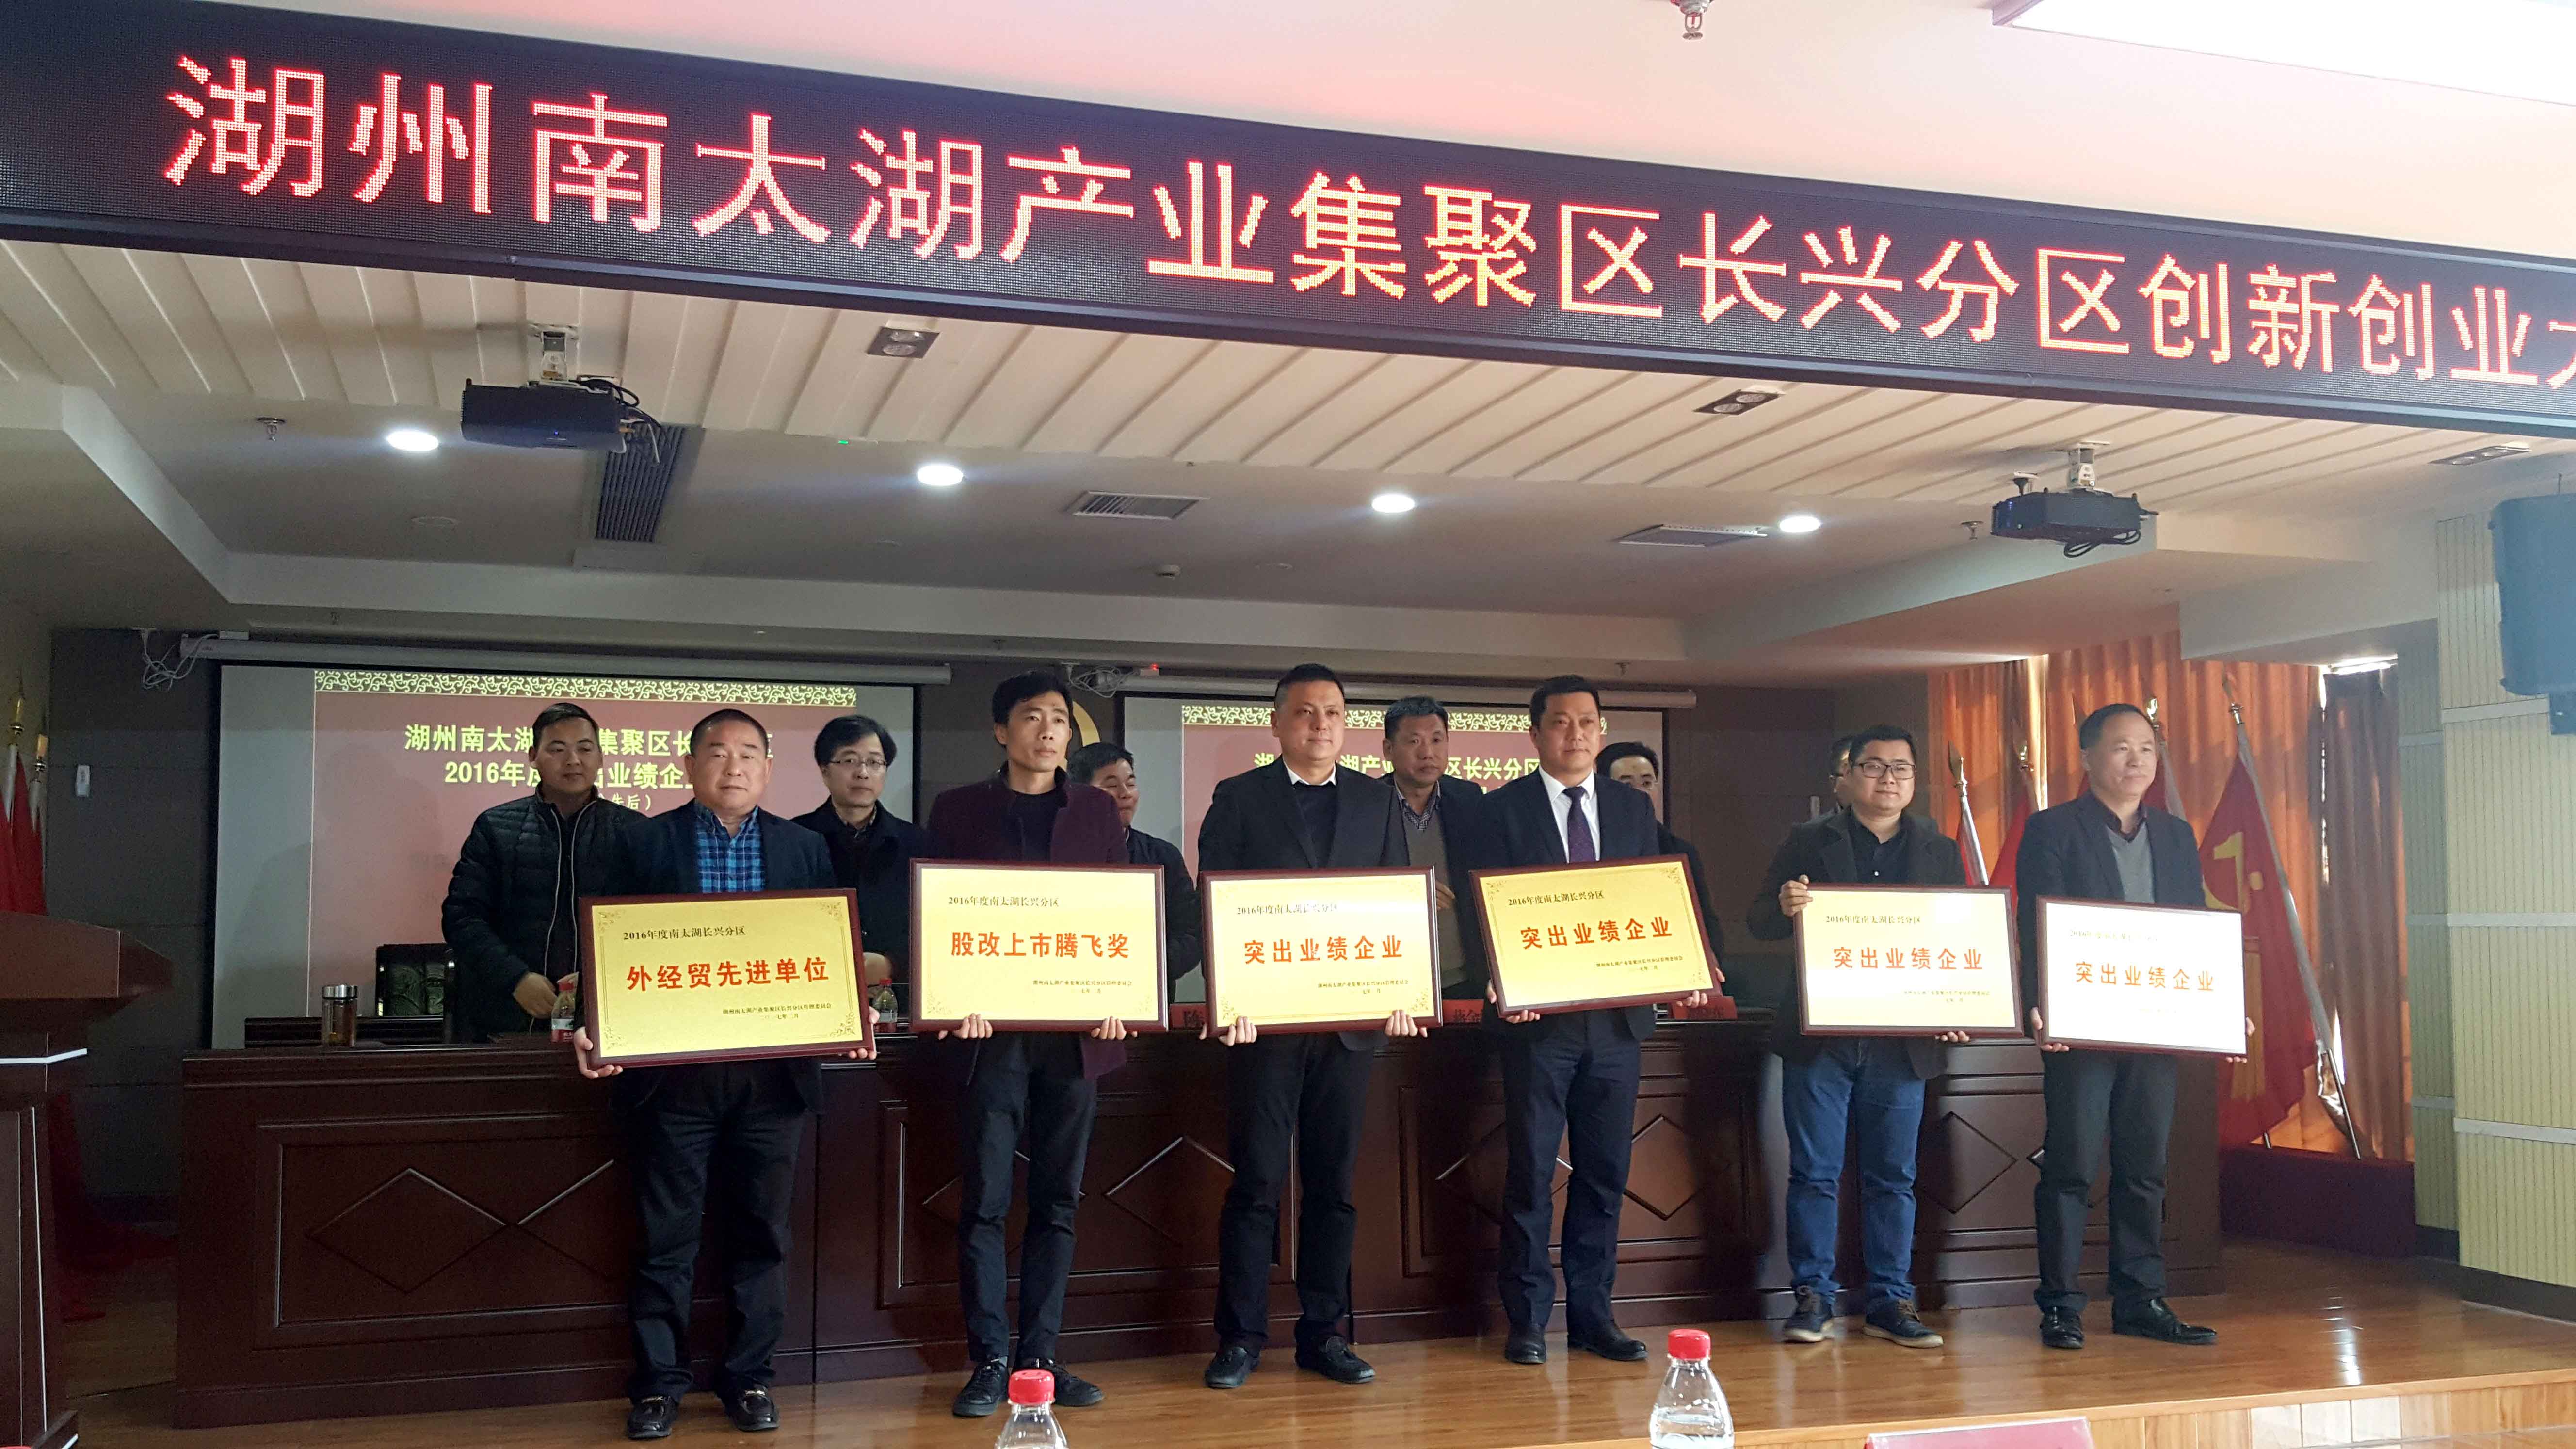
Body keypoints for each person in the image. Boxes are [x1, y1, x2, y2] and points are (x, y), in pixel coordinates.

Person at [571, 709, 865, 1442]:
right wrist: (592, 1023)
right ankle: (657, 1386)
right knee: (665, 1239)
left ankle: (749, 1378)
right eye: (717, 753)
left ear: (767, 769)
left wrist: (848, 1013)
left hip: (772, 1080)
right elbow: (607, 944)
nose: (733, 767)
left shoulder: (803, 847)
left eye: (748, 755)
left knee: (762, 1235)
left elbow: (826, 946)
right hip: (674, 1080)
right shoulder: (643, 842)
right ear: (688, 765)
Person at [1473, 677, 1714, 1368]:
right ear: (1535, 735)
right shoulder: (1500, 809)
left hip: (1616, 1025)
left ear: (1601, 731)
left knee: (1605, 1174)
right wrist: (1499, 974)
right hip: (1537, 1024)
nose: (1575, 734)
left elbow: (1651, 898)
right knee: (1530, 1174)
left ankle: (1592, 1317)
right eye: (1560, 723)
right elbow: (1482, 902)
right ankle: (1527, 1320)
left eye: (1587, 722)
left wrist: (1683, 965)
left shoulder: (1631, 808)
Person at [1196, 663, 1420, 1391]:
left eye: (1332, 713)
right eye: (1304, 712)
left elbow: (1396, 902)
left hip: (1349, 1029)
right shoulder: (1239, 797)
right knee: (1257, 1183)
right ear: (1276, 724)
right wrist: (1229, 997)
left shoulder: (1377, 800)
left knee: (1333, 1186)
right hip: (1263, 1028)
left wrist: (1403, 989)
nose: (1320, 724)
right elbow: (1214, 904)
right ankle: (1239, 1339)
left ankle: (1324, 1333)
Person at [924, 672, 1130, 1418]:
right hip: (992, 1038)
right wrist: (950, 997)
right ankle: (989, 1360)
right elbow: (938, 914)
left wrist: (1121, 998)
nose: (1048, 731)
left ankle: (1040, 1358)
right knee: (985, 1200)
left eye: (1059, 720)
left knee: (1057, 1202)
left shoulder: (1097, 810)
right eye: (1031, 717)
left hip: (1075, 1039)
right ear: (1000, 731)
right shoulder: (958, 809)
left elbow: (1119, 912)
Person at [1745, 724, 1970, 1351]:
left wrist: (1959, 1003)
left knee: (1892, 1177)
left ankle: (1890, 1301)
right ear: (1848, 776)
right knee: (1814, 1173)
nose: (1888, 779)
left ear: (1915, 780)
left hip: (1902, 1042)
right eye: (1873, 767)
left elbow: (1961, 936)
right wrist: (1785, 906)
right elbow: (1759, 919)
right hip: (1822, 1037)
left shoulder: (1938, 849)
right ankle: (1813, 1297)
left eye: (1901, 768)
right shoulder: (1808, 840)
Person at [2018, 703, 2226, 1352]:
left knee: (2144, 1168)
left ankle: (2140, 1299)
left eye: (2146, 748)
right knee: (2072, 1166)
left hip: (2154, 1023)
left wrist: (2220, 1003)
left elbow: (2192, 927)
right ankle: (2060, 1305)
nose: (2136, 760)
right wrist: (2039, 1003)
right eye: (2120, 747)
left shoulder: (2175, 835)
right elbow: (2035, 921)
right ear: (2086, 758)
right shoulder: (2052, 829)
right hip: (2079, 1028)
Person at [443, 702, 641, 1042]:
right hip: (507, 1019)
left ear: (601, 758)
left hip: (606, 1020)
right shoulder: (495, 827)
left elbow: (645, 926)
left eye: (585, 748)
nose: (573, 760)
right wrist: (515, 978)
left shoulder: (635, 832)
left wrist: (600, 986)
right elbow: (462, 918)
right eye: (557, 749)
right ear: (533, 756)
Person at [789, 713, 921, 998]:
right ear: (825, 770)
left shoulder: (918, 843)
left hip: (897, 998)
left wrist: (893, 964)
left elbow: (932, 926)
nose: (863, 773)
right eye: (849, 761)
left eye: (875, 763)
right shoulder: (792, 839)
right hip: (814, 992)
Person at [1068, 740, 1202, 989]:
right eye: (1111, 785)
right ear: (1080, 793)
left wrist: (1148, 965)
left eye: (1130, 784)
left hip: (1147, 994)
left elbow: (1191, 934)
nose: (1125, 794)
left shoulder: (1162, 856)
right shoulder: (1058, 855)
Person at [1379, 696, 1485, 998]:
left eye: (1437, 740)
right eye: (1414, 741)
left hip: (1462, 973)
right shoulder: (1367, 804)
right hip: (1392, 971)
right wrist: (1406, 891)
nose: (1427, 752)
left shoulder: (1469, 799)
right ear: (1388, 749)